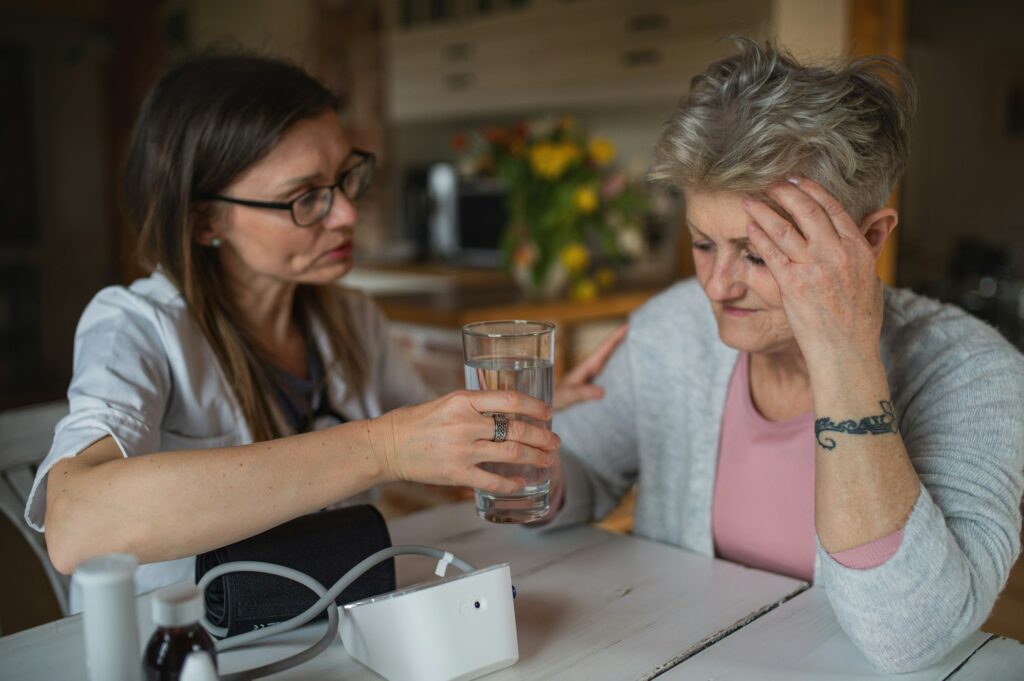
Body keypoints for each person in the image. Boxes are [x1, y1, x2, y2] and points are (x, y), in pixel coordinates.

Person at [25, 51, 621, 612]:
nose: (346, 214)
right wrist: (379, 447)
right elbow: (78, 524)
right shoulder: (135, 325)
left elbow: (443, 438)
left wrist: (510, 417)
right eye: (305, 197)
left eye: (344, 178)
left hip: (330, 628)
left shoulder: (351, 318)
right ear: (206, 219)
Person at [540, 38, 1024, 673]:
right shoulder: (674, 325)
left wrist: (844, 352)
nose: (717, 286)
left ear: (869, 238)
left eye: (759, 254)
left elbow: (910, 636)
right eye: (703, 244)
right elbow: (579, 479)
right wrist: (522, 459)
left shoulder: (977, 374)